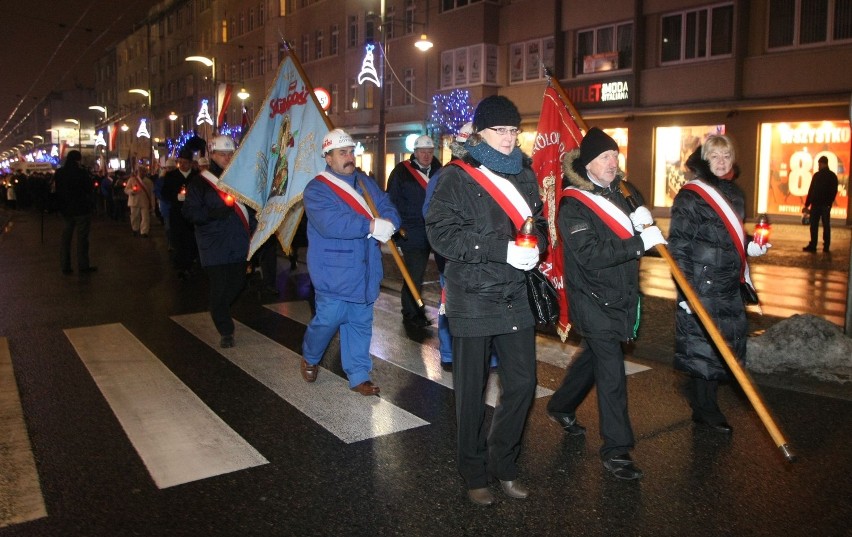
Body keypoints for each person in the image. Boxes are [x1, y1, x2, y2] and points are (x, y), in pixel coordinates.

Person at [425, 96, 546, 505]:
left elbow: (538, 223)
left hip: (515, 296)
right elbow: (441, 234)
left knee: (524, 384)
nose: (509, 138)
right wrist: (501, 249)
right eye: (500, 130)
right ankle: (474, 471)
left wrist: (535, 247)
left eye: (514, 130)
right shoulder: (456, 177)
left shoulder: (525, 175)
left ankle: (504, 463)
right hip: (473, 297)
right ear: (479, 133)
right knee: (471, 393)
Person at [547, 127, 666, 481]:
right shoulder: (573, 205)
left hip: (623, 295)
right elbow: (591, 254)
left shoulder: (626, 194)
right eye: (604, 157)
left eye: (615, 155)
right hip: (592, 298)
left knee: (596, 358)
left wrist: (649, 230)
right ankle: (616, 450)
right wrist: (638, 244)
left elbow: (643, 232)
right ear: (587, 165)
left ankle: (560, 404)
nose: (613, 162)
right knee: (612, 372)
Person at [668, 135, 769, 434]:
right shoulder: (691, 195)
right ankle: (706, 410)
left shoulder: (735, 194)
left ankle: (704, 404)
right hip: (701, 283)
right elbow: (680, 246)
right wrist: (685, 291)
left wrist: (749, 247)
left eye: (726, 155)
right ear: (704, 160)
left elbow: (731, 235)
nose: (722, 162)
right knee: (703, 349)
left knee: (721, 348)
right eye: (715, 156)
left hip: (728, 285)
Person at [300, 128, 400, 396]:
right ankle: (311, 356)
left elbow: (386, 205)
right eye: (342, 153)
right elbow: (331, 222)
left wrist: (390, 222)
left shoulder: (365, 183)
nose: (348, 157)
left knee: (360, 323)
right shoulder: (316, 189)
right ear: (328, 158)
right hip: (334, 273)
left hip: (365, 270)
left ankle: (358, 375)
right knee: (327, 321)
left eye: (350, 152)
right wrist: (370, 225)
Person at [182, 135, 256, 348]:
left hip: (239, 242)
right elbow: (189, 212)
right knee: (219, 287)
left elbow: (250, 209)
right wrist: (214, 213)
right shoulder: (199, 183)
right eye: (221, 154)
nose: (226, 158)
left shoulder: (240, 179)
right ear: (212, 154)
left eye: (229, 154)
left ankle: (219, 308)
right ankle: (225, 329)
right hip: (213, 244)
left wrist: (255, 229)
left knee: (238, 283)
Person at [387, 134, 442, 328]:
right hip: (413, 230)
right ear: (415, 152)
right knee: (414, 273)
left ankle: (443, 312)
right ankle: (412, 312)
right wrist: (396, 228)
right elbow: (391, 200)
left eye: (429, 152)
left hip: (436, 230)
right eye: (422, 152)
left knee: (444, 274)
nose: (426, 156)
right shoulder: (401, 172)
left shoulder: (440, 171)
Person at [54, 150, 98, 275]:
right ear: (78, 160)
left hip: (65, 209)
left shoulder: (60, 173)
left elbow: (57, 189)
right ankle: (83, 265)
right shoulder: (81, 172)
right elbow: (89, 188)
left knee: (66, 238)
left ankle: (65, 266)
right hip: (81, 208)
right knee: (82, 238)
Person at [162, 147, 199, 279]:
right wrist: (175, 197)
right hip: (177, 214)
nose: (183, 165)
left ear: (190, 163)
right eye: (180, 162)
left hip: (192, 215)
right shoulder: (172, 176)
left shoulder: (195, 176)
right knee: (179, 240)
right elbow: (164, 193)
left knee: (191, 240)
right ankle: (182, 266)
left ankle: (190, 263)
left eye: (186, 162)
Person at [802, 155, 839, 253]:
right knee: (826, 225)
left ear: (822, 163)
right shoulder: (832, 176)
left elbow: (811, 191)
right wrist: (829, 202)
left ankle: (813, 245)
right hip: (825, 205)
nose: (818, 166)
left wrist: (807, 204)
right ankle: (826, 246)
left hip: (816, 204)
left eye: (819, 164)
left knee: (814, 225)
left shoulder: (817, 176)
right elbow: (834, 191)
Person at [125, 165, 155, 238]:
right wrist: (132, 191)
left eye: (144, 171)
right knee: (134, 217)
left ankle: (144, 231)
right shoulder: (132, 180)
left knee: (145, 217)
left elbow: (152, 193)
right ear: (138, 172)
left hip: (145, 201)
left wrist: (153, 204)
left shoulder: (149, 181)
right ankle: (135, 229)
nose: (142, 172)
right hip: (134, 201)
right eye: (140, 171)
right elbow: (126, 189)